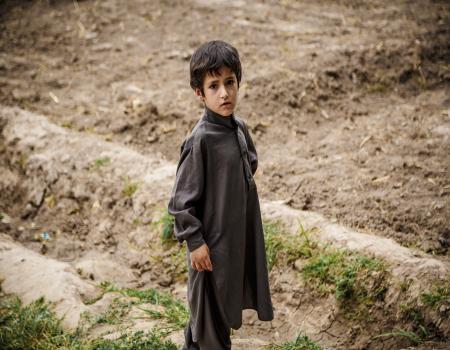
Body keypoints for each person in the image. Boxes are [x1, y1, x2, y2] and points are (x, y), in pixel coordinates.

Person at [167, 40, 274, 350]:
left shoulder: (238, 128)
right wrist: (195, 242)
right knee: (209, 317)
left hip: (233, 244)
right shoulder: (200, 141)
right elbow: (180, 202)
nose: (224, 93)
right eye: (214, 86)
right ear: (200, 93)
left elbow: (248, 164)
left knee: (214, 313)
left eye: (230, 82)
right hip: (209, 251)